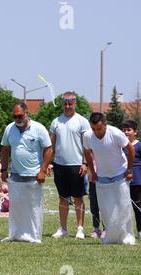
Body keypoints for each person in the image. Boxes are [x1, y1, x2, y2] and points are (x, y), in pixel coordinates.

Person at [0, 102, 52, 243]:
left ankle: (34, 236)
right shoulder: (9, 129)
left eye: (20, 115)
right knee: (16, 206)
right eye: (15, 116)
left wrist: (42, 171)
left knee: (34, 207)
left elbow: (49, 149)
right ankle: (15, 234)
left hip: (34, 175)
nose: (17, 118)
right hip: (15, 175)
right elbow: (5, 149)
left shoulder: (39, 128)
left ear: (27, 113)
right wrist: (4, 170)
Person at [83, 113, 136, 245]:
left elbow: (130, 149)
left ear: (105, 125)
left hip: (120, 174)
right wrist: (93, 172)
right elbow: (87, 152)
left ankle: (127, 237)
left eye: (99, 129)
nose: (96, 132)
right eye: (93, 128)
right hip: (102, 176)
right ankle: (111, 237)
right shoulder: (87, 135)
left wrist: (129, 170)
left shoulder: (116, 133)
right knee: (106, 208)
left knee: (123, 206)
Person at [49, 92, 90, 240]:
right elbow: (51, 145)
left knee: (78, 198)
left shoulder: (82, 121)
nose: (67, 106)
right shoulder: (56, 122)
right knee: (63, 198)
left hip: (76, 165)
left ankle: (80, 228)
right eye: (65, 103)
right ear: (62, 104)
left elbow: (87, 145)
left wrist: (85, 163)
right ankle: (63, 228)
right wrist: (48, 163)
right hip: (60, 165)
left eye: (70, 103)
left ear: (75, 103)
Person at [121, 120, 141, 240]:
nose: (126, 132)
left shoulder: (140, 146)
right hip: (122, 181)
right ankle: (124, 231)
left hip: (136, 181)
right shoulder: (120, 145)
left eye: (129, 130)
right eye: (124, 130)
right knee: (122, 207)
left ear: (135, 132)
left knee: (138, 206)